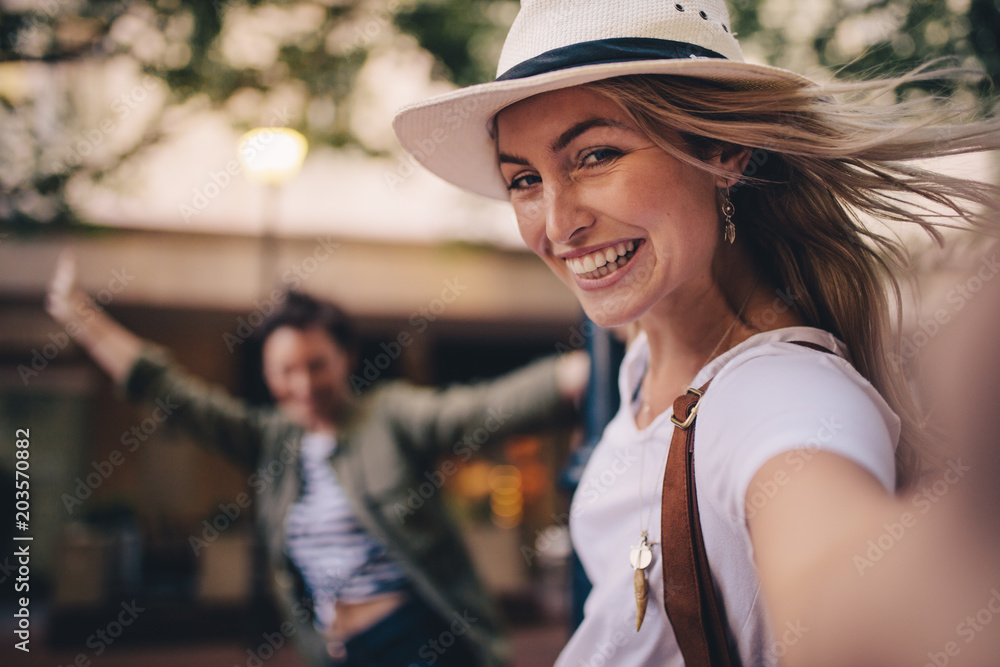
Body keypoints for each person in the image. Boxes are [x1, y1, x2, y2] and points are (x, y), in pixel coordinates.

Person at [392, 0, 1000, 664]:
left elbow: (838, 601)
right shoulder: (645, 351)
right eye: (526, 180)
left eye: (595, 155)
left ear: (723, 151)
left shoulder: (782, 393)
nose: (558, 223)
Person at [45, 252, 588, 667]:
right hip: (335, 652)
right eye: (286, 370)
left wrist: (577, 374)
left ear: (345, 358)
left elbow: (480, 409)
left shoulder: (389, 417)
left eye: (316, 365)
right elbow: (173, 394)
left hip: (420, 643)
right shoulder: (272, 441)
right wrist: (82, 318)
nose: (302, 383)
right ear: (267, 373)